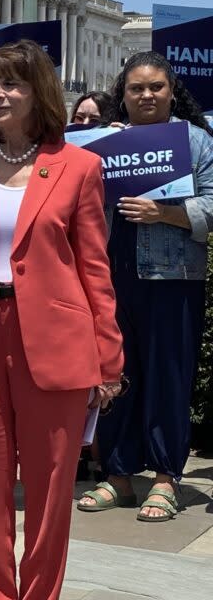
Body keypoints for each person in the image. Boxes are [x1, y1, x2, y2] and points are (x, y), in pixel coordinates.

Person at [0, 40, 123, 600]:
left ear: (40, 94)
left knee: (49, 491)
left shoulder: (80, 167)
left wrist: (109, 360)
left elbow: (95, 270)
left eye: (13, 84)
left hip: (55, 341)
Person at [78, 52, 213, 523]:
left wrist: (167, 213)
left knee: (168, 377)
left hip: (172, 278)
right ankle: (117, 474)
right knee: (114, 377)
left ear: (172, 90)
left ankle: (164, 477)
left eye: (156, 86)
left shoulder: (195, 142)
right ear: (123, 94)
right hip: (109, 277)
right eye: (137, 88)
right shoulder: (99, 144)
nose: (147, 95)